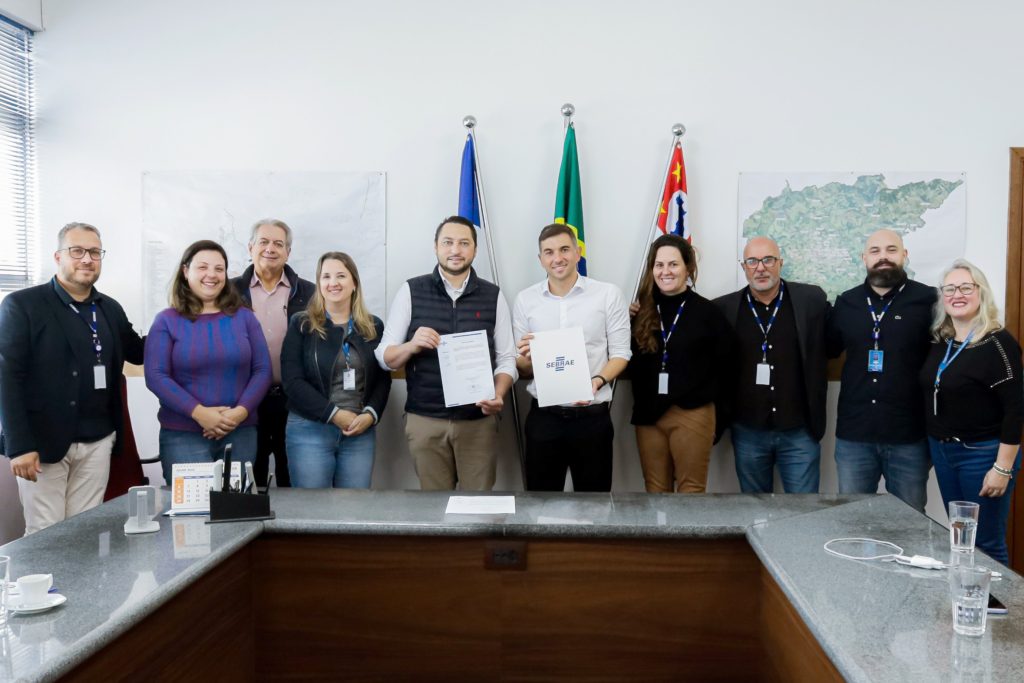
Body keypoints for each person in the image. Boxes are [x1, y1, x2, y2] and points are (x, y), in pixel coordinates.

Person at [0, 222, 145, 534]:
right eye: (77, 251)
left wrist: (183, 319)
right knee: (45, 533)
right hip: (42, 443)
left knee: (85, 532)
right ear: (58, 256)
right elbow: (7, 378)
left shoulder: (109, 308)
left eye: (94, 252)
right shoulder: (23, 305)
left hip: (98, 440)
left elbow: (140, 352)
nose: (87, 259)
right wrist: (19, 445)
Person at [375, 216, 516, 491]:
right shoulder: (411, 291)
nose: (455, 250)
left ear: (475, 249)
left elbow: (507, 359)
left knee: (478, 507)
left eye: (464, 243)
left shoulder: (493, 296)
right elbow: (384, 357)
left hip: (478, 422)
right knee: (434, 506)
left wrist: (499, 394)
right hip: (425, 420)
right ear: (436, 246)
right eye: (448, 242)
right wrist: (411, 345)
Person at [513, 223, 631, 492]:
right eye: (549, 252)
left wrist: (597, 381)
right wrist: (525, 357)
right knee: (540, 503)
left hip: (592, 419)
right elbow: (523, 367)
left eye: (565, 249)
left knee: (595, 504)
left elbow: (621, 353)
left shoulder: (607, 294)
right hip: (544, 419)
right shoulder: (525, 300)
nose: (558, 258)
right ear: (540, 259)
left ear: (578, 253)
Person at [920, 259, 1022, 564]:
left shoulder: (998, 343)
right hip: (943, 452)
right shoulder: (942, 340)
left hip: (982, 456)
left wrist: (1002, 469)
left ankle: (997, 597)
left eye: (966, 287)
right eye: (950, 289)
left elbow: (1015, 409)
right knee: (961, 540)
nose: (957, 295)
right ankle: (965, 593)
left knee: (986, 543)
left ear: (981, 293)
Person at [145, 240, 272, 485]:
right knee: (193, 508)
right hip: (183, 435)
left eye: (219, 269)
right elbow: (156, 376)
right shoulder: (166, 320)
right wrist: (200, 414)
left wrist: (239, 414)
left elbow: (262, 370)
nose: (211, 275)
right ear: (186, 271)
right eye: (202, 267)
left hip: (241, 432)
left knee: (236, 507)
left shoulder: (245, 317)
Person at [826, 229, 936, 512]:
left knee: (910, 522)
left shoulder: (929, 301)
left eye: (891, 250)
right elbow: (826, 349)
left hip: (909, 436)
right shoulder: (846, 302)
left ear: (904, 255)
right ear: (864, 258)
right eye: (875, 251)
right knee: (852, 518)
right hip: (855, 435)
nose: (883, 257)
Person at [713, 236, 829, 493]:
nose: (760, 268)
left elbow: (837, 337)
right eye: (752, 261)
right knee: (755, 510)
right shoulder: (723, 309)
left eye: (768, 260)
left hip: (799, 430)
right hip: (748, 431)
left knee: (804, 510)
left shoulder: (811, 300)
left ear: (780, 263)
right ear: (743, 267)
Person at [629, 234, 735, 493]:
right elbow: (629, 361)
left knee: (691, 492)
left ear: (688, 268)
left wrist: (719, 420)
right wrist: (629, 319)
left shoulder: (708, 313)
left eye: (673, 264)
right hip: (648, 414)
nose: (665, 271)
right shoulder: (640, 311)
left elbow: (727, 369)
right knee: (655, 490)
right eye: (659, 265)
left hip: (692, 412)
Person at [281, 252, 391, 488]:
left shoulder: (373, 326)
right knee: (313, 507)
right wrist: (335, 414)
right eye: (326, 277)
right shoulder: (302, 324)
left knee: (354, 507)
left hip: (359, 431)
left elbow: (383, 379)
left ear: (354, 283)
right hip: (310, 429)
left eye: (341, 276)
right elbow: (292, 381)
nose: (333, 283)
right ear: (319, 284)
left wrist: (370, 415)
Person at [230, 218, 315, 488]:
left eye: (278, 244)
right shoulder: (229, 292)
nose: (270, 248)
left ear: (288, 252)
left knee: (293, 478)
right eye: (263, 242)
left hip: (293, 401)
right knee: (249, 481)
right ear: (250, 247)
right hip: (244, 401)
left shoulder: (310, 293)